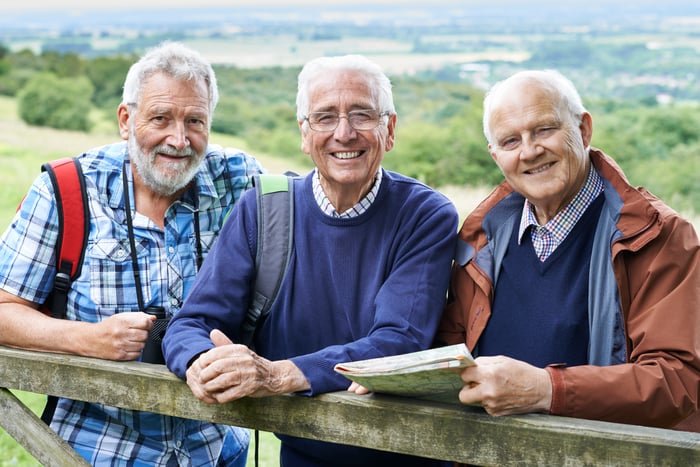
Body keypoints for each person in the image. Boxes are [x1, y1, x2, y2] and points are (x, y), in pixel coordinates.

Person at [163, 54, 459, 466]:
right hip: (302, 454)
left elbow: (398, 341)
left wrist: (277, 375)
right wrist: (201, 362)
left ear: (389, 130)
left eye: (362, 115)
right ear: (304, 134)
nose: (344, 133)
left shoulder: (424, 214)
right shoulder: (264, 210)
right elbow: (191, 323)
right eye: (324, 117)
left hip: (404, 454)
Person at [0, 41, 264, 465]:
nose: (179, 140)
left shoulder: (242, 180)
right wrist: (88, 339)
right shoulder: (68, 189)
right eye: (160, 118)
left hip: (216, 450)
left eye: (195, 121)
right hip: (94, 451)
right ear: (126, 120)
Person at [435, 69, 700, 433]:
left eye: (544, 129)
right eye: (511, 141)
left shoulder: (659, 238)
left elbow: (678, 382)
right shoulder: (481, 238)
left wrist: (547, 390)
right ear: (495, 156)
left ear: (584, 129)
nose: (530, 151)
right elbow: (451, 349)